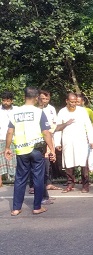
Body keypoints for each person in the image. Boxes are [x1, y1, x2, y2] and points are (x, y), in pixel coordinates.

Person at [5, 87, 56, 216]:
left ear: (24, 97)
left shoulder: (15, 112)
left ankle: (16, 208)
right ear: (37, 98)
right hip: (36, 149)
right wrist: (51, 149)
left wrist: (7, 148)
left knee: (20, 178)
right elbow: (45, 132)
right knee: (38, 177)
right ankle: (37, 207)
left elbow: (10, 131)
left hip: (21, 149)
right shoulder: (39, 112)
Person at [54, 92, 93, 193]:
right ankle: (70, 184)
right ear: (66, 101)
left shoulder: (82, 111)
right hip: (67, 140)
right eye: (71, 102)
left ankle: (85, 185)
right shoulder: (62, 112)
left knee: (83, 163)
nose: (73, 104)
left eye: (75, 102)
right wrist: (57, 143)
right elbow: (58, 128)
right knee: (69, 162)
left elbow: (88, 126)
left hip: (81, 140)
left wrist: (92, 140)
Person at [0, 91, 17, 187]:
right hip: (1, 137)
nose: (5, 103)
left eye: (8, 101)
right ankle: (0, 181)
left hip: (14, 139)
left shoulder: (17, 110)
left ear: (12, 101)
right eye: (4, 100)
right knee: (0, 161)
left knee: (13, 160)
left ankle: (15, 181)